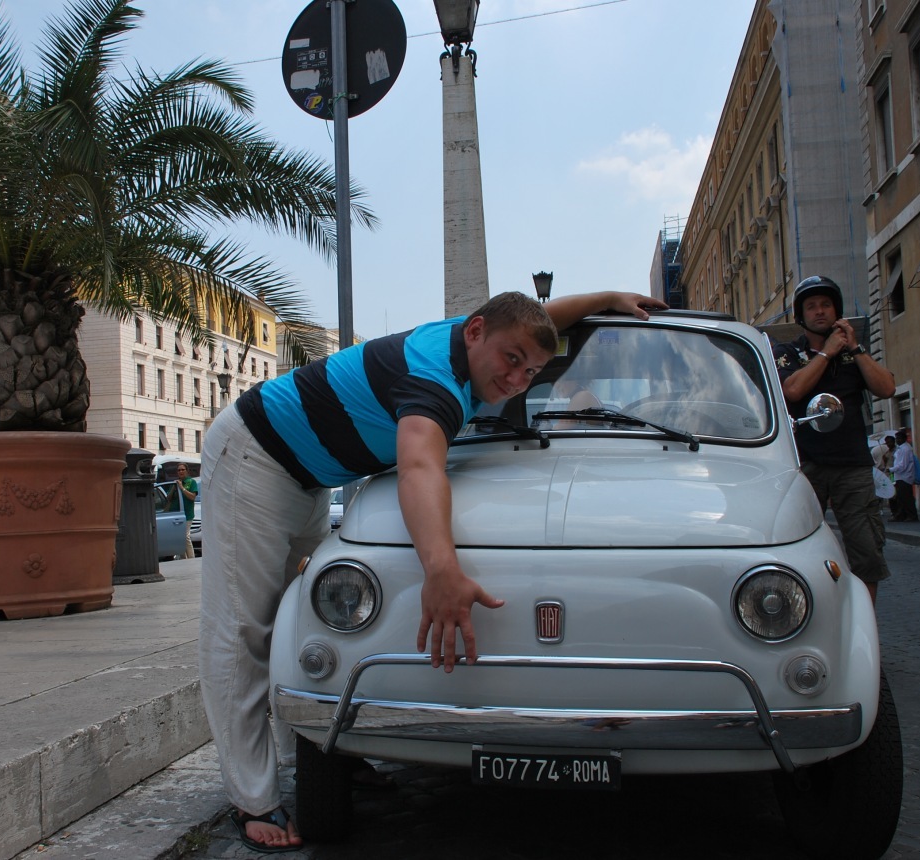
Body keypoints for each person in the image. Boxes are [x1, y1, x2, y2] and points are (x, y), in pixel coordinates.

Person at [199, 289, 666, 852]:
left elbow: (536, 323)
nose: (517, 380)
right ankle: (251, 798)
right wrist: (441, 572)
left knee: (295, 628)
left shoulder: (475, 340)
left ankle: (319, 750)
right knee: (242, 631)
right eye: (511, 361)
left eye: (531, 371)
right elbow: (420, 467)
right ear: (475, 333)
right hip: (257, 457)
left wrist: (608, 297)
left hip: (309, 473)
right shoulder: (435, 382)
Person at [773, 275, 896, 605]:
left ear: (836, 310)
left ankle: (864, 627)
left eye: (826, 305)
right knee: (794, 545)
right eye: (811, 306)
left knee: (866, 551)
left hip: (852, 467)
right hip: (805, 466)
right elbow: (792, 390)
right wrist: (826, 353)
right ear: (801, 315)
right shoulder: (788, 352)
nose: (819, 311)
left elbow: (886, 388)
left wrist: (854, 348)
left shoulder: (854, 355)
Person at [890, 429, 918, 522]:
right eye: (896, 438)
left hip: (904, 476)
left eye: (899, 438)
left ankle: (911, 515)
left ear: (904, 439)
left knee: (906, 497)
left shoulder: (905, 449)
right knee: (901, 497)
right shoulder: (901, 448)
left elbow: (903, 465)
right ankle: (902, 515)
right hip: (900, 476)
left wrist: (891, 469)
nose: (897, 440)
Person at [174, 463, 198, 558]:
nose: (181, 471)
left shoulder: (191, 482)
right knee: (179, 538)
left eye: (182, 469)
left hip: (187, 514)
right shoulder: (176, 483)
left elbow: (192, 497)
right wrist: (175, 487)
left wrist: (182, 488)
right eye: (179, 470)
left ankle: (191, 558)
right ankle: (184, 558)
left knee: (185, 536)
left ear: (187, 471)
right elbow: (168, 498)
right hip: (176, 514)